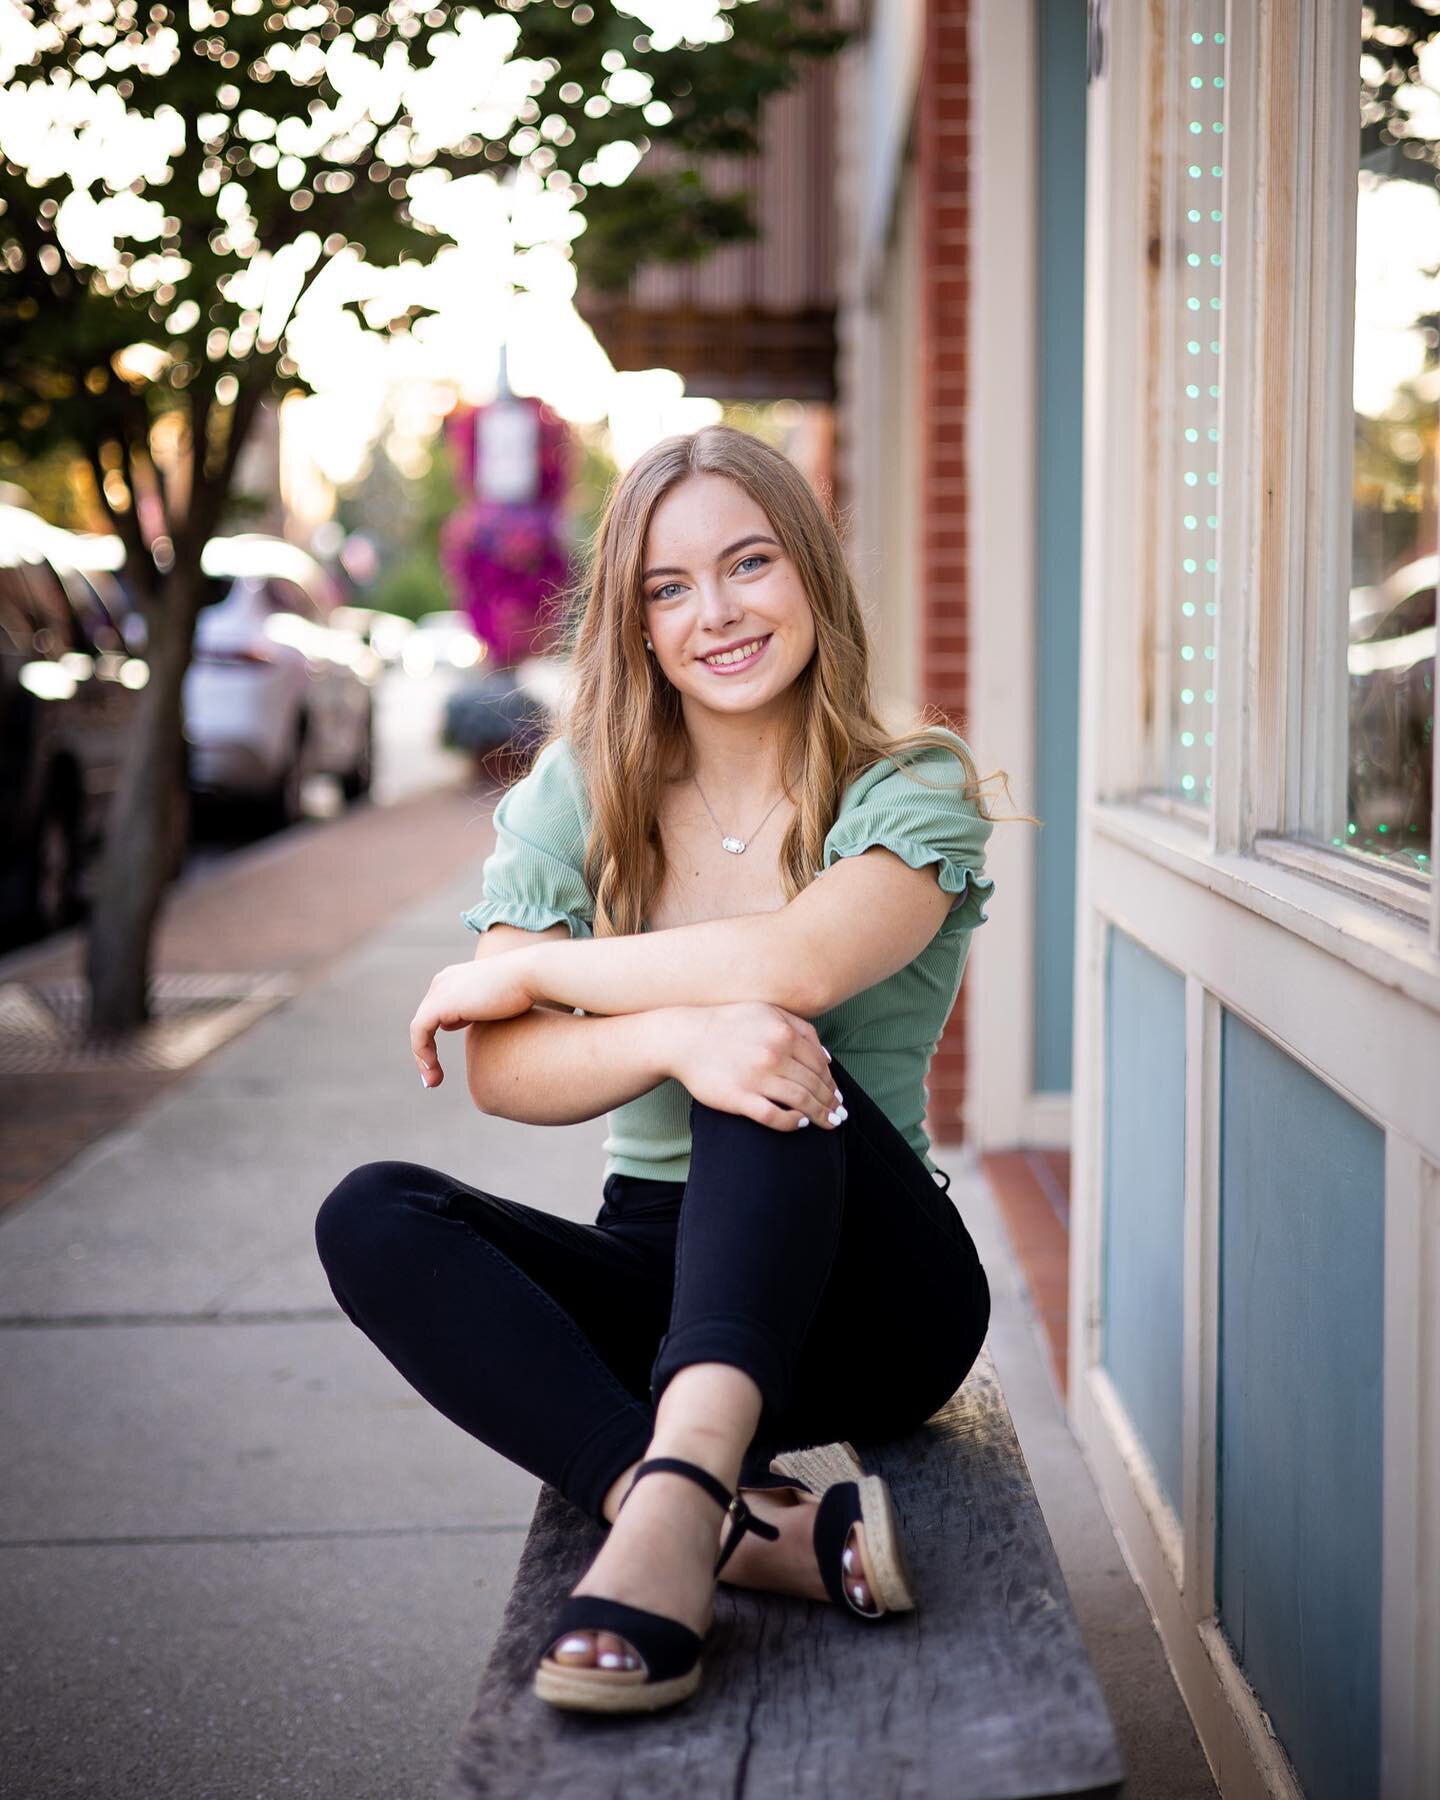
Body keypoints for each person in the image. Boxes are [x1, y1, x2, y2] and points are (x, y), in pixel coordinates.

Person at [315, 423, 1002, 1716]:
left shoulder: (910, 783)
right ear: (632, 623)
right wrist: (669, 1035)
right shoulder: (582, 789)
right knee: (373, 1215)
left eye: (750, 564)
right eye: (668, 588)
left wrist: (534, 973)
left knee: (759, 1041)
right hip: (667, 1270)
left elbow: (792, 966)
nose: (717, 613)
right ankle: (716, 1517)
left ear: (811, 571)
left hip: (874, 1290)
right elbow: (505, 1079)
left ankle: (675, 1504)